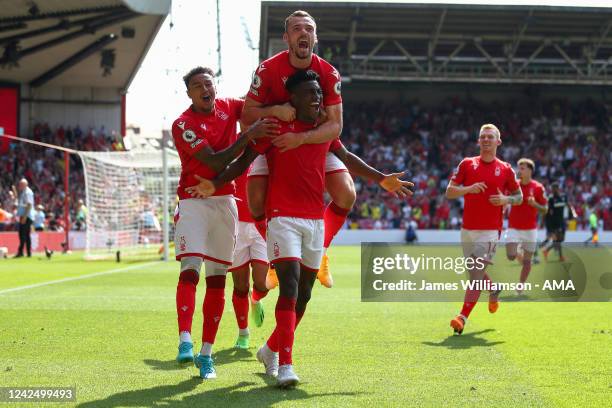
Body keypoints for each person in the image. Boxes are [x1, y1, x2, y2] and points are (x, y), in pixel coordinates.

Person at [186, 70, 413, 387]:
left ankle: (269, 350)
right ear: (292, 98)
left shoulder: (324, 131)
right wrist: (215, 183)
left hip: (314, 221)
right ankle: (285, 366)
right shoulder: (275, 129)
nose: (317, 98)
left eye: (319, 93)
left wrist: (381, 179)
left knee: (304, 295)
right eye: (310, 93)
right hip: (282, 219)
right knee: (290, 289)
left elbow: (347, 157)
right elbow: (242, 162)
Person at [171, 66, 278, 379]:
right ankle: (184, 340)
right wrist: (248, 135)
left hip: (226, 204)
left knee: (218, 279)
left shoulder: (229, 106)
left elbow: (258, 107)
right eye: (197, 85)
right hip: (193, 202)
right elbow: (217, 161)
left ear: (215, 87)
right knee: (190, 268)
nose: (205, 88)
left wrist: (281, 100)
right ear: (189, 93)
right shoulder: (183, 124)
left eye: (208, 82)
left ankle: (206, 354)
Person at [242, 10, 354, 289]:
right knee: (255, 201)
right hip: (275, 141)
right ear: (286, 37)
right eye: (296, 29)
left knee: (346, 194)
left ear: (315, 38)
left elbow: (335, 126)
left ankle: (322, 251)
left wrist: (302, 139)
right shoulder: (267, 70)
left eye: (309, 29)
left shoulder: (328, 72)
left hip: (312, 142)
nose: (303, 33)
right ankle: (274, 259)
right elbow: (247, 115)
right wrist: (277, 110)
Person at [446, 124, 522, 335]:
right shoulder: (466, 165)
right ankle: (494, 288)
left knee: (476, 274)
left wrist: (506, 199)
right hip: (467, 229)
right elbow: (449, 192)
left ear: (498, 141)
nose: (486, 140)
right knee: (474, 274)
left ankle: (461, 317)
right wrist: (468, 189)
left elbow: (519, 197)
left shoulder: (506, 169)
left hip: (490, 231)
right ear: (478, 141)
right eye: (483, 137)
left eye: (490, 137)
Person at [227, 171, 271, 350]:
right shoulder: (233, 146)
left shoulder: (267, 149)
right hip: (236, 224)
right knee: (240, 286)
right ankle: (243, 333)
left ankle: (255, 298)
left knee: (262, 283)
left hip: (262, 223)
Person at [504, 158, 547, 292]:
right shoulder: (513, 185)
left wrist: (535, 204)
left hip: (530, 229)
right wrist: (504, 205)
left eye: (522, 168)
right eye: (519, 168)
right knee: (511, 255)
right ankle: (518, 252)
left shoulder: (538, 188)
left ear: (530, 170)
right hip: (514, 227)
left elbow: (545, 209)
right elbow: (505, 199)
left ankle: (521, 285)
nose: (519, 171)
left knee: (527, 262)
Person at [541, 182, 575, 262]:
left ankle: (546, 250)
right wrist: (544, 221)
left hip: (562, 221)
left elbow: (568, 205)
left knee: (561, 239)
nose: (553, 191)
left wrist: (571, 215)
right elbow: (547, 211)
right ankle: (559, 257)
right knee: (558, 239)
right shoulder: (551, 198)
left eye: (554, 189)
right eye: (552, 189)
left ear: (557, 188)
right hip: (554, 222)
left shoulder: (564, 196)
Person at [15, 179, 35, 258]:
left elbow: (29, 205)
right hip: (24, 215)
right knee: (25, 235)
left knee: (23, 235)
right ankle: (27, 253)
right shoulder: (24, 192)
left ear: (24, 185)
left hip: (26, 216)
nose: (19, 186)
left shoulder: (27, 192)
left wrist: (25, 217)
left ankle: (22, 252)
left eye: (20, 184)